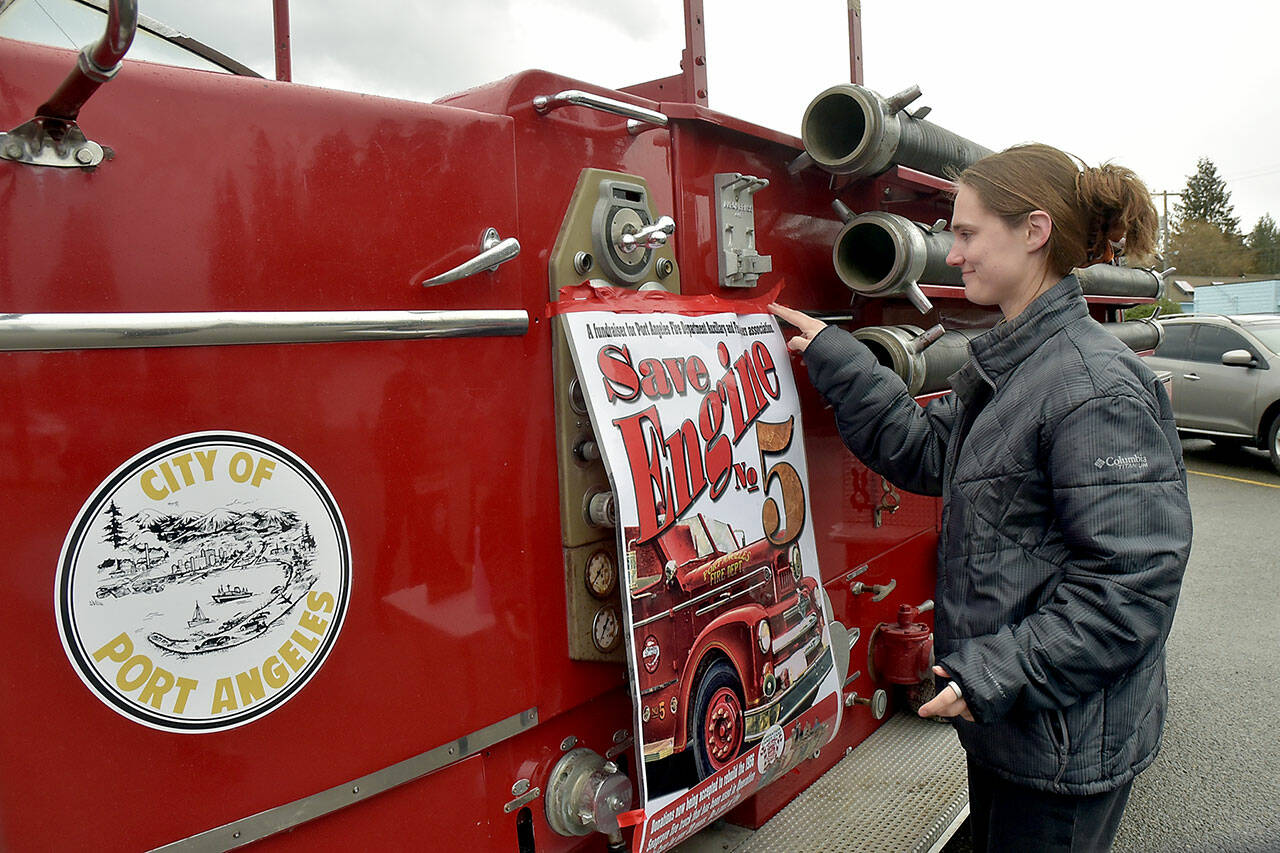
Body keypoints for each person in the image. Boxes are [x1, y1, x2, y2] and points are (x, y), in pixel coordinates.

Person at [771, 143, 1192, 851]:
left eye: (966, 233)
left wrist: (993, 671)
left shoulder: (1094, 386)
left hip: (1061, 747)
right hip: (1014, 725)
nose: (953, 253)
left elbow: (1133, 588)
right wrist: (838, 359)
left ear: (1033, 231)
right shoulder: (1015, 362)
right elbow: (925, 448)